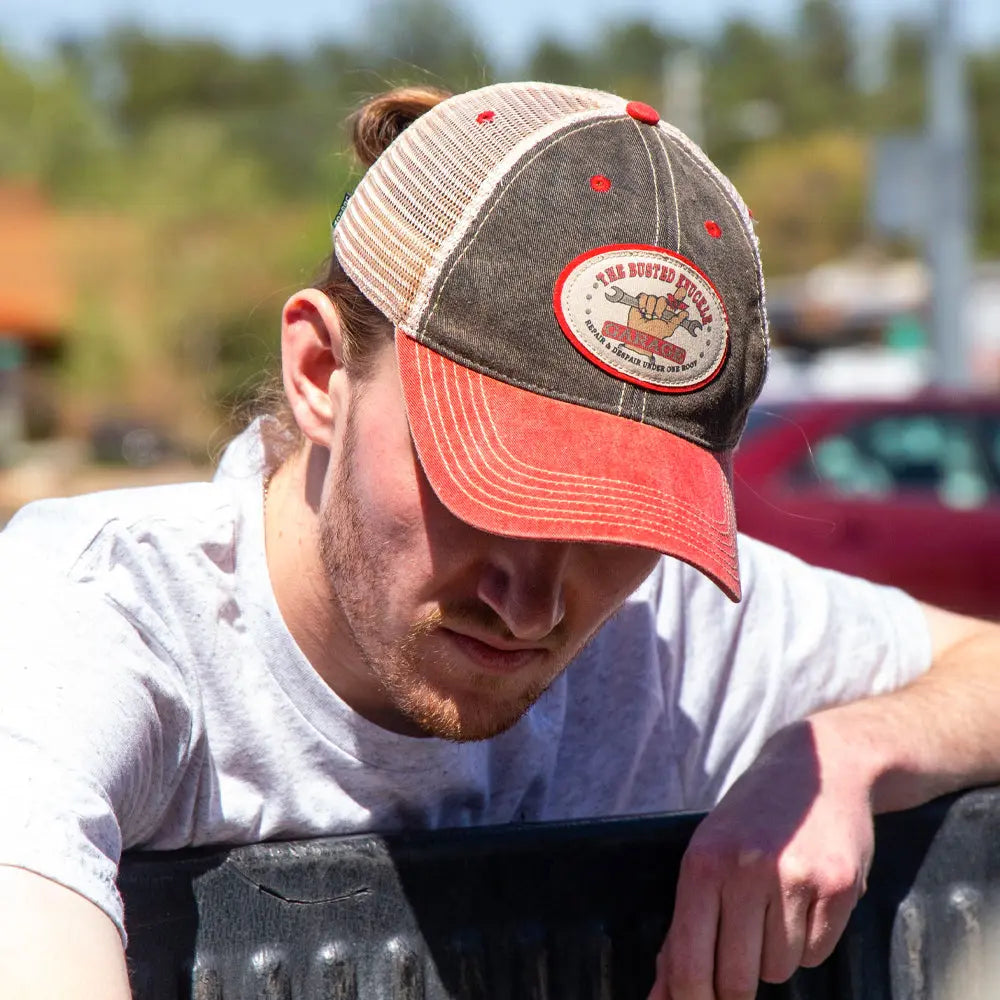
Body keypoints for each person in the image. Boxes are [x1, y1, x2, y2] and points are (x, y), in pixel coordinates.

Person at [0, 81, 997, 1000]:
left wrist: (839, 751)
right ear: (318, 372)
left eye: (618, 523)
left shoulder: (663, 638)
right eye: (492, 491)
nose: (534, 605)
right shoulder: (94, 615)